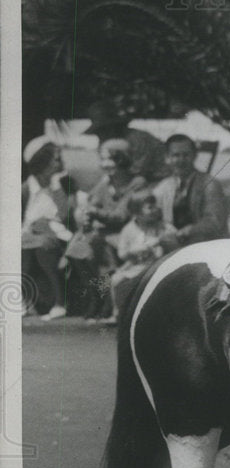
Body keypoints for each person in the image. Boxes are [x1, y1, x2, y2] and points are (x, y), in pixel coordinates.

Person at [66, 138, 147, 320]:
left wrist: (95, 212)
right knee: (77, 249)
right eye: (103, 159)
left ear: (122, 160)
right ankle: (96, 296)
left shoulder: (136, 182)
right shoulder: (106, 182)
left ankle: (107, 302)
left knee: (101, 247)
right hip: (105, 231)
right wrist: (87, 214)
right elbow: (92, 201)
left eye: (110, 159)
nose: (105, 164)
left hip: (127, 232)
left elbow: (121, 216)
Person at [21, 136, 75, 320]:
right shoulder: (26, 190)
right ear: (42, 162)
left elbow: (68, 218)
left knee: (44, 245)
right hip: (29, 237)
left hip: (60, 238)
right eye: (56, 159)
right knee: (26, 248)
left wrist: (58, 187)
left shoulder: (64, 186)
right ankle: (22, 300)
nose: (60, 163)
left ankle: (60, 302)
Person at [153, 134, 229, 250]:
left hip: (207, 247)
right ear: (167, 158)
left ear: (194, 156)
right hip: (173, 247)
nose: (181, 160)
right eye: (176, 155)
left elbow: (215, 222)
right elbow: (153, 216)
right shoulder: (163, 187)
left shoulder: (209, 184)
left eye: (186, 155)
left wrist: (189, 231)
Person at [110, 191, 177, 320]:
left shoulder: (163, 227)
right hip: (138, 266)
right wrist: (134, 251)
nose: (154, 210)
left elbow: (175, 244)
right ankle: (119, 312)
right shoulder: (129, 229)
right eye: (149, 207)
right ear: (137, 213)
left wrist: (165, 241)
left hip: (160, 265)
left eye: (155, 206)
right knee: (117, 280)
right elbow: (122, 253)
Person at [83, 100, 169, 184]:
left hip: (161, 178)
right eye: (99, 131)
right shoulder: (105, 144)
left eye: (104, 129)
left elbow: (139, 174)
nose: (101, 135)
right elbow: (111, 172)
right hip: (135, 181)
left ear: (113, 126)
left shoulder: (138, 139)